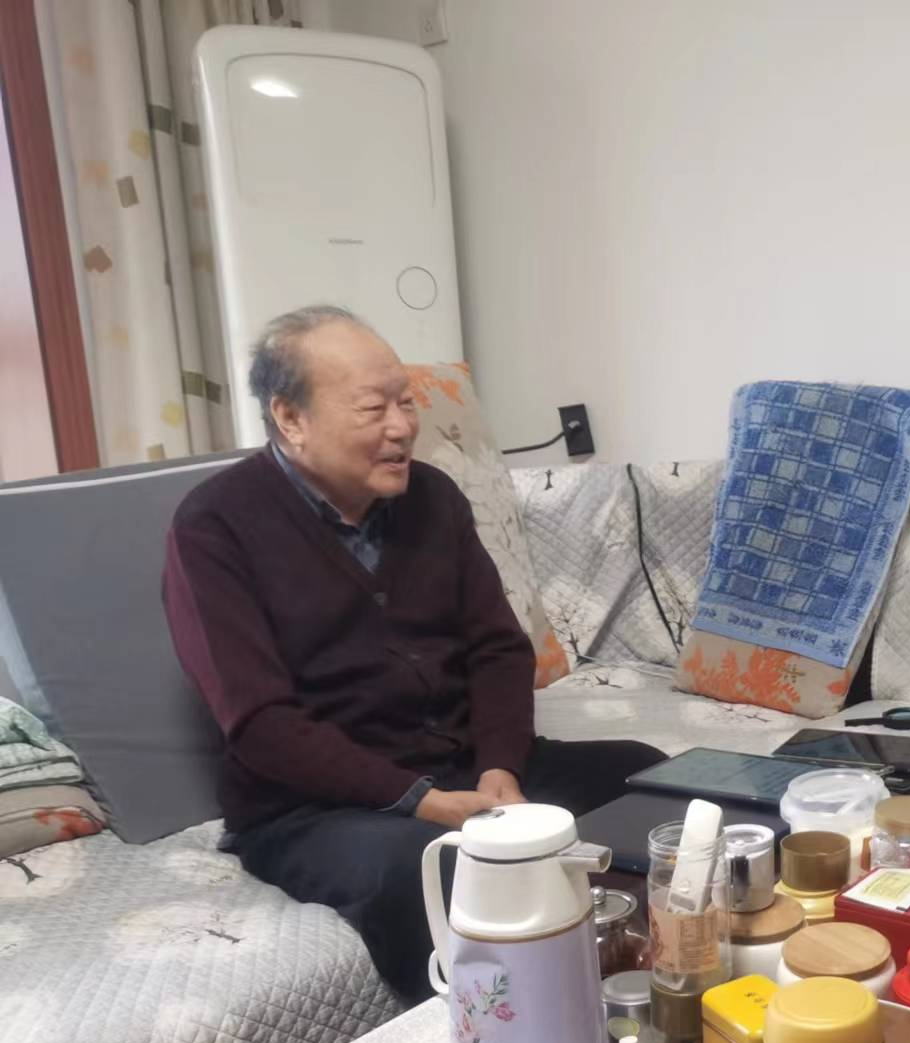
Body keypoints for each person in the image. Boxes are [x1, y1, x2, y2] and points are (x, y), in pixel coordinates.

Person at [163, 305, 664, 1001]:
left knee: (652, 781)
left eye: (405, 402)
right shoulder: (214, 526)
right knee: (434, 866)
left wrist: (499, 767)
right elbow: (261, 724)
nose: (401, 427)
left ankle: (664, 982)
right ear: (291, 418)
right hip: (317, 810)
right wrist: (422, 802)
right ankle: (517, 1039)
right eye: (374, 409)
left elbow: (497, 648)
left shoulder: (433, 497)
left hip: (466, 772)